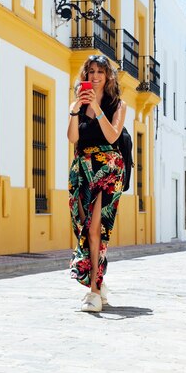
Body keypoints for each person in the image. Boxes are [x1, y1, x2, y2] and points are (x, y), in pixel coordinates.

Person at [67, 54, 127, 312]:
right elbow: (72, 138)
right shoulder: (79, 105)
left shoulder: (118, 104)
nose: (95, 76)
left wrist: (98, 109)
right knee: (83, 226)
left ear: (108, 76)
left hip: (107, 169)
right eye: (90, 71)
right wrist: (74, 110)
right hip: (82, 168)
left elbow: (113, 135)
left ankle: (93, 292)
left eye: (100, 71)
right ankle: (98, 283)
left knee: (95, 229)